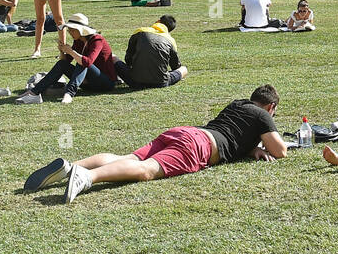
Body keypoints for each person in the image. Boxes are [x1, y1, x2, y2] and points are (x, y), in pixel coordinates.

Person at [25, 85, 286, 203]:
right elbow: (280, 151)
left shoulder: (238, 104)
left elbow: (235, 135)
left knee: (127, 158)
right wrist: (264, 143)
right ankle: (86, 177)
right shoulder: (263, 115)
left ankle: (71, 167)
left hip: (184, 132)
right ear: (271, 107)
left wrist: (252, 148)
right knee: (148, 170)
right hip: (199, 147)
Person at [16, 14, 117, 105]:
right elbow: (65, 62)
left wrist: (71, 52)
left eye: (73, 30)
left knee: (81, 62)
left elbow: (88, 62)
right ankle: (34, 92)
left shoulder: (97, 40)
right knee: (62, 64)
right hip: (88, 84)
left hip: (105, 83)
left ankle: (69, 93)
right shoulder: (78, 41)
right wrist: (62, 51)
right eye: (69, 30)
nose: (70, 32)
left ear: (81, 30)